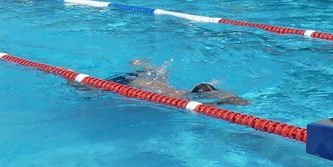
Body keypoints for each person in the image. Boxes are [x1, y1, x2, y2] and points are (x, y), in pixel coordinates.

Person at [106, 61, 249, 106]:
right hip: (133, 83)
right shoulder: (180, 99)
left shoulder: (181, 94)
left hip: (145, 80)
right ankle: (144, 65)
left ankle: (145, 65)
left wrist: (227, 100)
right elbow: (212, 102)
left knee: (157, 75)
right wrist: (225, 102)